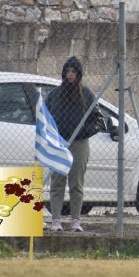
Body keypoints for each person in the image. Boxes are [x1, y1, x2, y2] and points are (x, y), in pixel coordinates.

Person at [45, 56, 103, 233]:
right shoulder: (54, 95)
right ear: (64, 73)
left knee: (76, 184)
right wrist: (53, 137)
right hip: (59, 144)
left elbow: (98, 120)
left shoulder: (86, 94)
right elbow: (45, 118)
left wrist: (84, 132)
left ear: (79, 74)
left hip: (79, 144)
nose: (70, 75)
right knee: (57, 182)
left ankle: (75, 221)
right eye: (67, 72)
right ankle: (55, 220)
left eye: (73, 72)